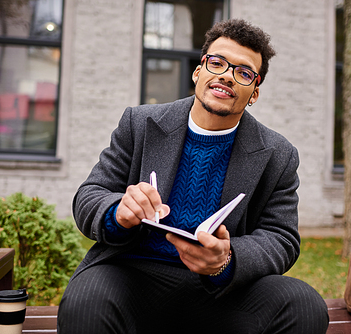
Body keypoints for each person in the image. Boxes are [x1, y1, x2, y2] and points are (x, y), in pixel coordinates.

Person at [58, 19, 329, 334]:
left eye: (243, 72)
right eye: (218, 63)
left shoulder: (278, 154)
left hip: (221, 292)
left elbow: (281, 238)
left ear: (254, 92)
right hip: (131, 277)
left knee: (304, 304)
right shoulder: (140, 123)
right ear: (199, 71)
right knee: (85, 302)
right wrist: (118, 211)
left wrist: (226, 260)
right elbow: (91, 194)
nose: (227, 76)